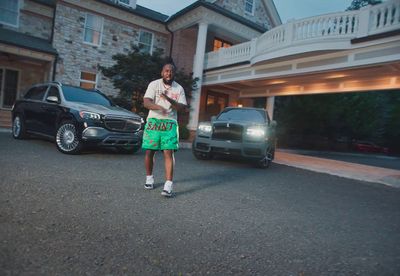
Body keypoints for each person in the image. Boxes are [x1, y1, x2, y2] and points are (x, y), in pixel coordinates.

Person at [142, 63, 188, 197]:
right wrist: (159, 107)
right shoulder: (154, 84)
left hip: (170, 123)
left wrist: (168, 99)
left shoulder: (179, 88)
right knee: (150, 151)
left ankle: (168, 185)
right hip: (153, 121)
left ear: (174, 74)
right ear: (162, 72)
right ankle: (149, 179)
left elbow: (181, 107)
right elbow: (146, 102)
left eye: (171, 71)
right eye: (166, 71)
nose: (169, 73)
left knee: (168, 152)